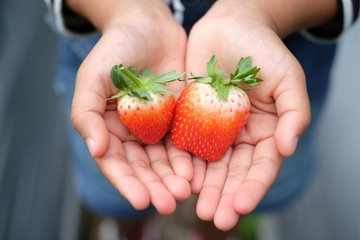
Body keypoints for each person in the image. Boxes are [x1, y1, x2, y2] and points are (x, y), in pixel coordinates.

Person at [45, 0, 359, 239]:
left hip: (269, 87)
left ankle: (213, 235)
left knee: (232, 202)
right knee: (119, 192)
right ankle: (130, 232)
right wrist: (125, 13)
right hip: (109, 50)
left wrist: (259, 12)